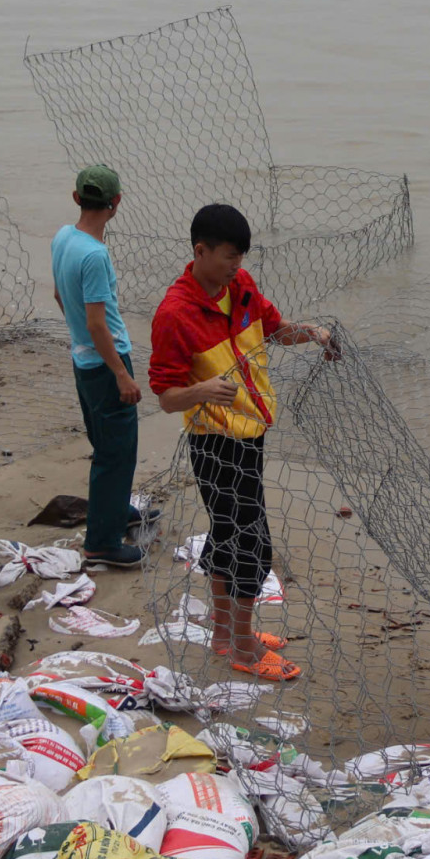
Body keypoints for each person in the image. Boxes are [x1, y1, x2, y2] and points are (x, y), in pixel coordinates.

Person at [149, 203, 336, 682]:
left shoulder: (243, 288)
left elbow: (275, 330)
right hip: (213, 442)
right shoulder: (174, 314)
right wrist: (202, 391)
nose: (237, 265)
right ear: (200, 251)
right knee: (252, 542)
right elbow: (166, 397)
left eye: (241, 256)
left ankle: (223, 633)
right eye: (229, 256)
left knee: (225, 532)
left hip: (250, 435)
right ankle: (245, 646)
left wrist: (312, 333)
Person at [52, 166, 149, 571]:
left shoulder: (63, 237)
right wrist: (121, 373)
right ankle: (101, 544)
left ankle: (114, 509)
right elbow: (97, 323)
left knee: (106, 443)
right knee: (117, 451)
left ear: (77, 198)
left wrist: (82, 338)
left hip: (83, 358)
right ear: (117, 203)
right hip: (105, 361)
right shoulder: (95, 254)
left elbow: (60, 294)